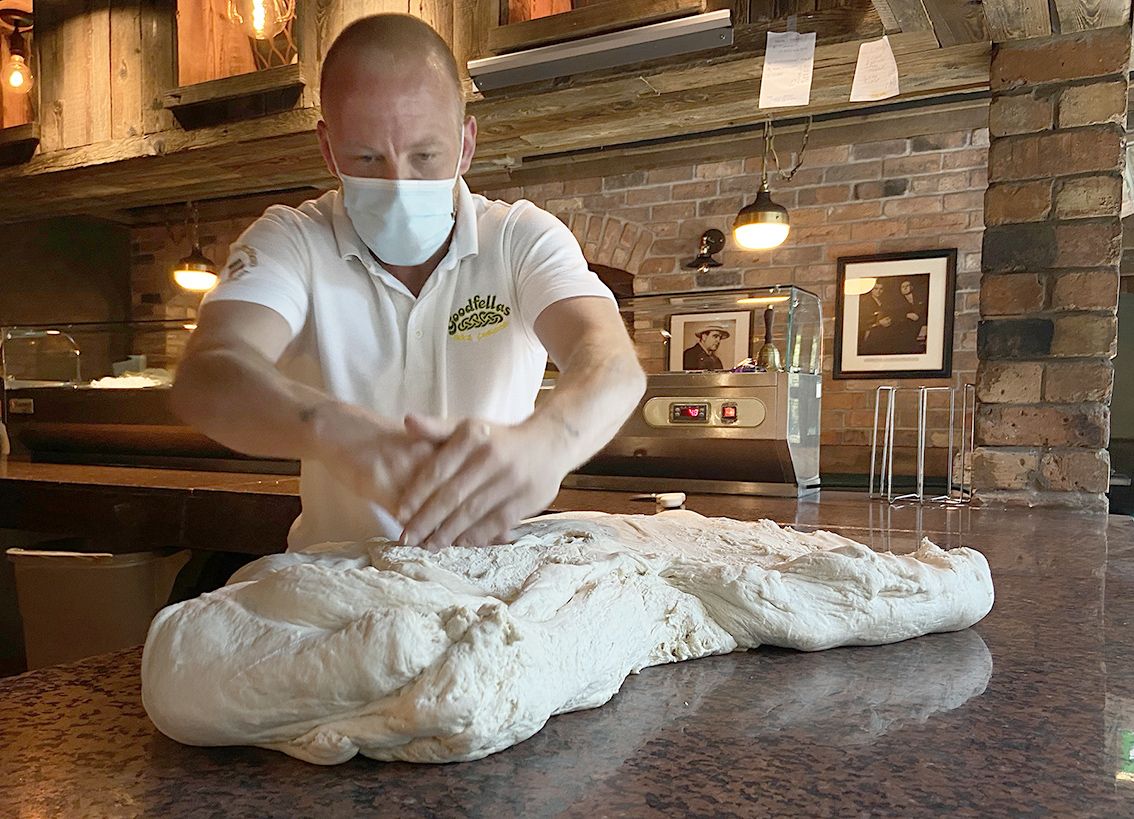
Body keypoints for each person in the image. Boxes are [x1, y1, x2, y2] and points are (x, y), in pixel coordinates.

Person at [172, 14, 646, 552]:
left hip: (487, 578)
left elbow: (610, 360)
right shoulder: (292, 240)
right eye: (367, 158)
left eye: (425, 156)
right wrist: (335, 430)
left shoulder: (520, 239)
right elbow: (208, 371)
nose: (399, 185)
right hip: (338, 577)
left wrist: (545, 444)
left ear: (465, 145)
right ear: (329, 151)